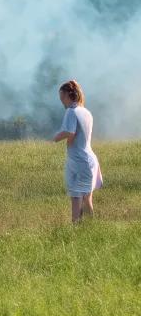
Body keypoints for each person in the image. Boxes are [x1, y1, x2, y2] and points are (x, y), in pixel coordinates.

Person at [53, 80, 102, 223]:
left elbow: (70, 132)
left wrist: (55, 138)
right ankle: (91, 229)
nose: (62, 102)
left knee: (76, 197)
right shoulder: (86, 112)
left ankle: (75, 230)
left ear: (69, 95)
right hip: (89, 160)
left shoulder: (71, 111)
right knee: (87, 198)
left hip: (79, 161)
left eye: (62, 98)